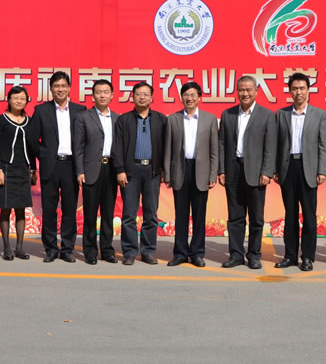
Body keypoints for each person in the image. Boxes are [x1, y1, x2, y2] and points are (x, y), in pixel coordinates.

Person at [218, 75, 276, 270]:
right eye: (241, 90)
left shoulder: (267, 115)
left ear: (256, 91)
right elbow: (222, 144)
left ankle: (254, 255)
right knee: (235, 216)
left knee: (256, 218)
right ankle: (236, 255)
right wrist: (222, 169)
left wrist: (267, 171)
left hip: (257, 172)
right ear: (237, 91)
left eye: (249, 90)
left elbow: (270, 146)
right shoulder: (228, 114)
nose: (245, 93)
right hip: (233, 170)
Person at [273, 73, 326, 272]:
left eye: (302, 88)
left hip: (309, 169)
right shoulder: (281, 114)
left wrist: (322, 170)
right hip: (287, 169)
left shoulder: (319, 114)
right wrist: (275, 169)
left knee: (309, 216)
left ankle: (307, 257)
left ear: (308, 90)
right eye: (295, 88)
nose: (298, 92)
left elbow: (324, 145)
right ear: (290, 91)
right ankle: (290, 255)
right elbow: (275, 144)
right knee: (290, 215)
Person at [29, 71, 86, 263]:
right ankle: (51, 249)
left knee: (70, 209)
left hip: (71, 165)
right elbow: (32, 139)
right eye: (56, 86)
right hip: (50, 165)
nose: (60, 89)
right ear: (51, 89)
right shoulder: (41, 110)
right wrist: (44, 155)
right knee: (49, 209)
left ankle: (68, 249)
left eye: (63, 86)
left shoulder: (80, 110)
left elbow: (85, 139)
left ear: (69, 88)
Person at [163, 81, 219, 268]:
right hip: (180, 170)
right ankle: (180, 253)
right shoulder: (173, 119)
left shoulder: (210, 119)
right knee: (181, 215)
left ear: (199, 98)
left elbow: (214, 150)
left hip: (201, 171)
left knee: (199, 215)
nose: (189, 98)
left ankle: (197, 253)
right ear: (181, 98)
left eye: (193, 95)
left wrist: (213, 174)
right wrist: (168, 175)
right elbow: (168, 149)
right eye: (186, 95)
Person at [113, 82, 167, 265]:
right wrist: (120, 170)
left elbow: (166, 147)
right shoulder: (124, 120)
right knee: (129, 215)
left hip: (153, 171)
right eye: (138, 94)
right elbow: (117, 147)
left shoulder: (160, 120)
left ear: (152, 98)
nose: (142, 97)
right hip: (130, 172)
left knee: (151, 214)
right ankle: (129, 252)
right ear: (132, 97)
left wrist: (164, 170)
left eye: (145, 94)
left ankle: (148, 251)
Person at [73, 79, 120, 265]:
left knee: (108, 214)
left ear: (112, 95)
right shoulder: (84, 117)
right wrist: (80, 170)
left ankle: (107, 251)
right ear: (93, 95)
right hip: (91, 169)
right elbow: (78, 146)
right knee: (90, 215)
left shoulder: (117, 118)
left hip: (111, 170)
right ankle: (90, 252)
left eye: (106, 92)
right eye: (98, 92)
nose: (102, 95)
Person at [0, 85, 37, 261]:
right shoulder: (1, 120)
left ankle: (19, 247)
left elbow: (32, 148)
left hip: (23, 169)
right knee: (5, 209)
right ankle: (6, 248)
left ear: (27, 101)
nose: (19, 101)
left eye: (22, 98)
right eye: (15, 98)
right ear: (9, 100)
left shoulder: (30, 121)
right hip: (6, 169)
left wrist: (33, 169)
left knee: (21, 209)